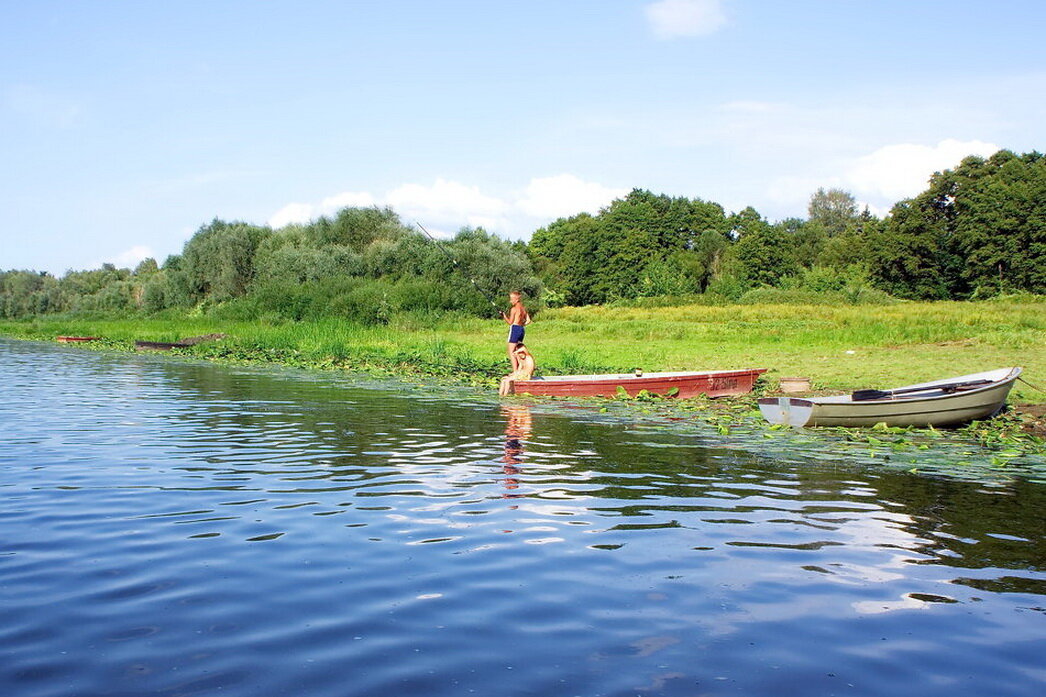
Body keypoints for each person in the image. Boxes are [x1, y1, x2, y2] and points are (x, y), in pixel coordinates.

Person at [501, 290, 531, 372]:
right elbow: (528, 320)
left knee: (511, 351)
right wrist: (522, 324)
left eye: (511, 299)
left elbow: (510, 322)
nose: (510, 301)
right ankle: (520, 369)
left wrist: (504, 316)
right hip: (521, 329)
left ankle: (515, 371)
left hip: (515, 329)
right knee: (518, 351)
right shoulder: (523, 309)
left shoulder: (514, 309)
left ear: (516, 299)